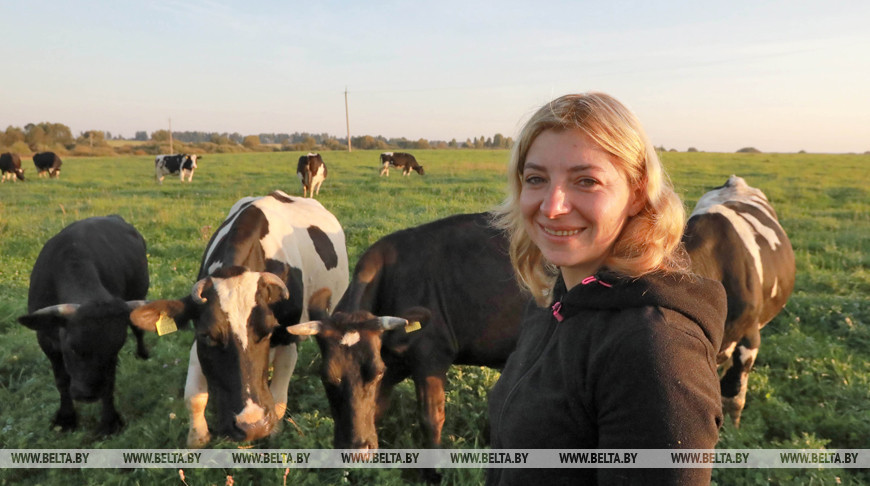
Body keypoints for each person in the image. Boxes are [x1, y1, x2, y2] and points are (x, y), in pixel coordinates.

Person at [487, 92, 727, 485]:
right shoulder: (554, 301)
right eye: (536, 179)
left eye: (586, 181)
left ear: (636, 193)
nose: (552, 206)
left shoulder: (656, 350)